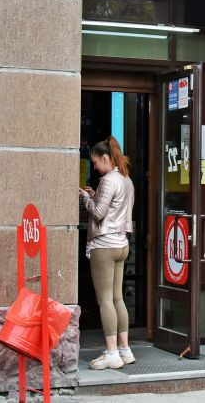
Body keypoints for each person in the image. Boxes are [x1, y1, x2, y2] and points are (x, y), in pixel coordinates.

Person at [79, 136, 135, 370]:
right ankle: (125, 350)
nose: (94, 167)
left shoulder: (108, 180)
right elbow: (114, 208)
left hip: (104, 245)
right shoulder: (126, 179)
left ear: (105, 158)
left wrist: (86, 198)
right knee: (117, 298)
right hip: (121, 243)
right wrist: (96, 196)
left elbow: (99, 213)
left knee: (104, 301)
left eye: (95, 162)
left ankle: (111, 353)